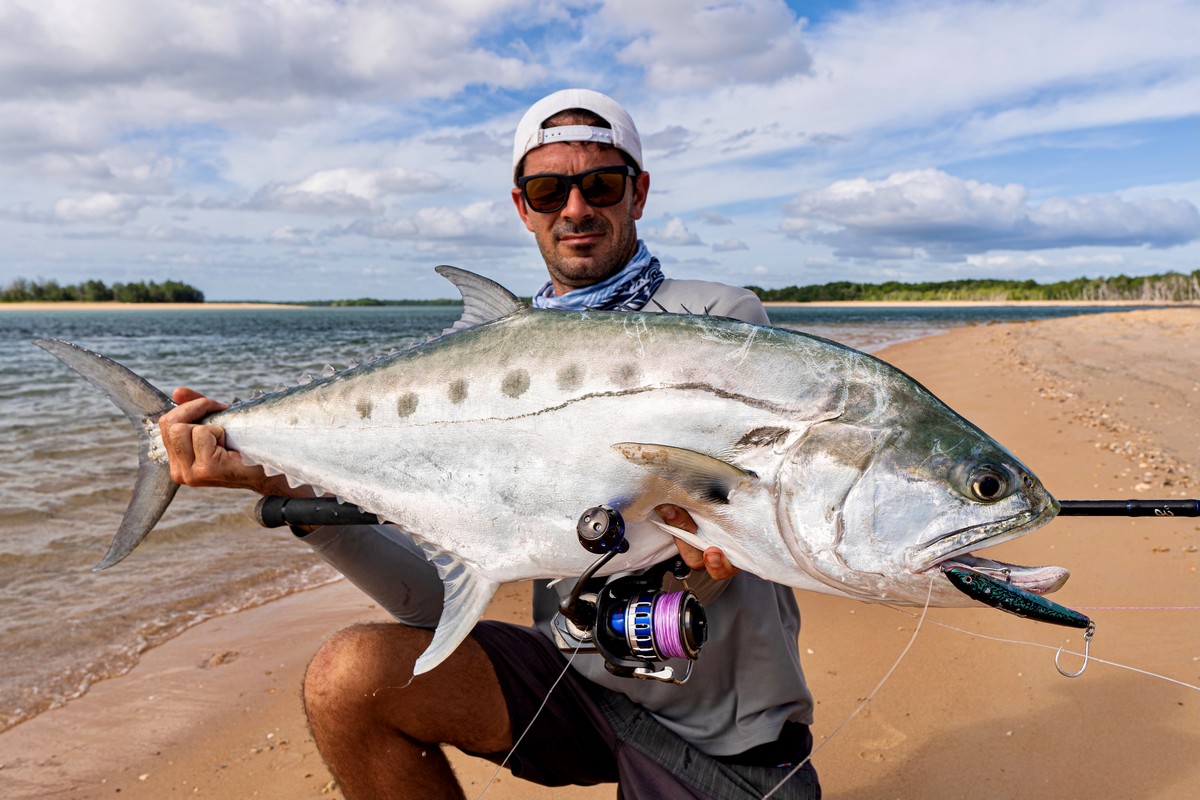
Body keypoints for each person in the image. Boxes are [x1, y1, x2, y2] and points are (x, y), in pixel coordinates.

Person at [159, 89, 820, 800]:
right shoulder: (485, 369)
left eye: (600, 183)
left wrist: (718, 549)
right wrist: (289, 494)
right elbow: (432, 602)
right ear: (521, 206)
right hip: (572, 682)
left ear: (639, 193)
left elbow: (763, 514)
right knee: (347, 679)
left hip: (724, 729)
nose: (575, 209)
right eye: (547, 190)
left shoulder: (722, 320)